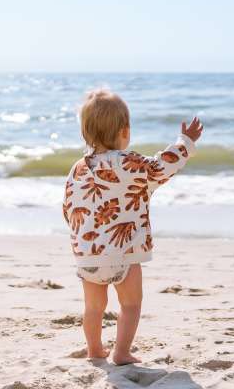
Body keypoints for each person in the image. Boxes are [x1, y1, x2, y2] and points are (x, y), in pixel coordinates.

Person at [62, 89, 203, 365]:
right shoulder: (129, 162)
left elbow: (68, 206)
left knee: (93, 307)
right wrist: (185, 141)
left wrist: (81, 239)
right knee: (130, 305)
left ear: (85, 133)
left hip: (88, 254)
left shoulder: (78, 168)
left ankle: (94, 350)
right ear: (125, 132)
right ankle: (122, 352)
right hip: (122, 253)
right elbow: (162, 167)